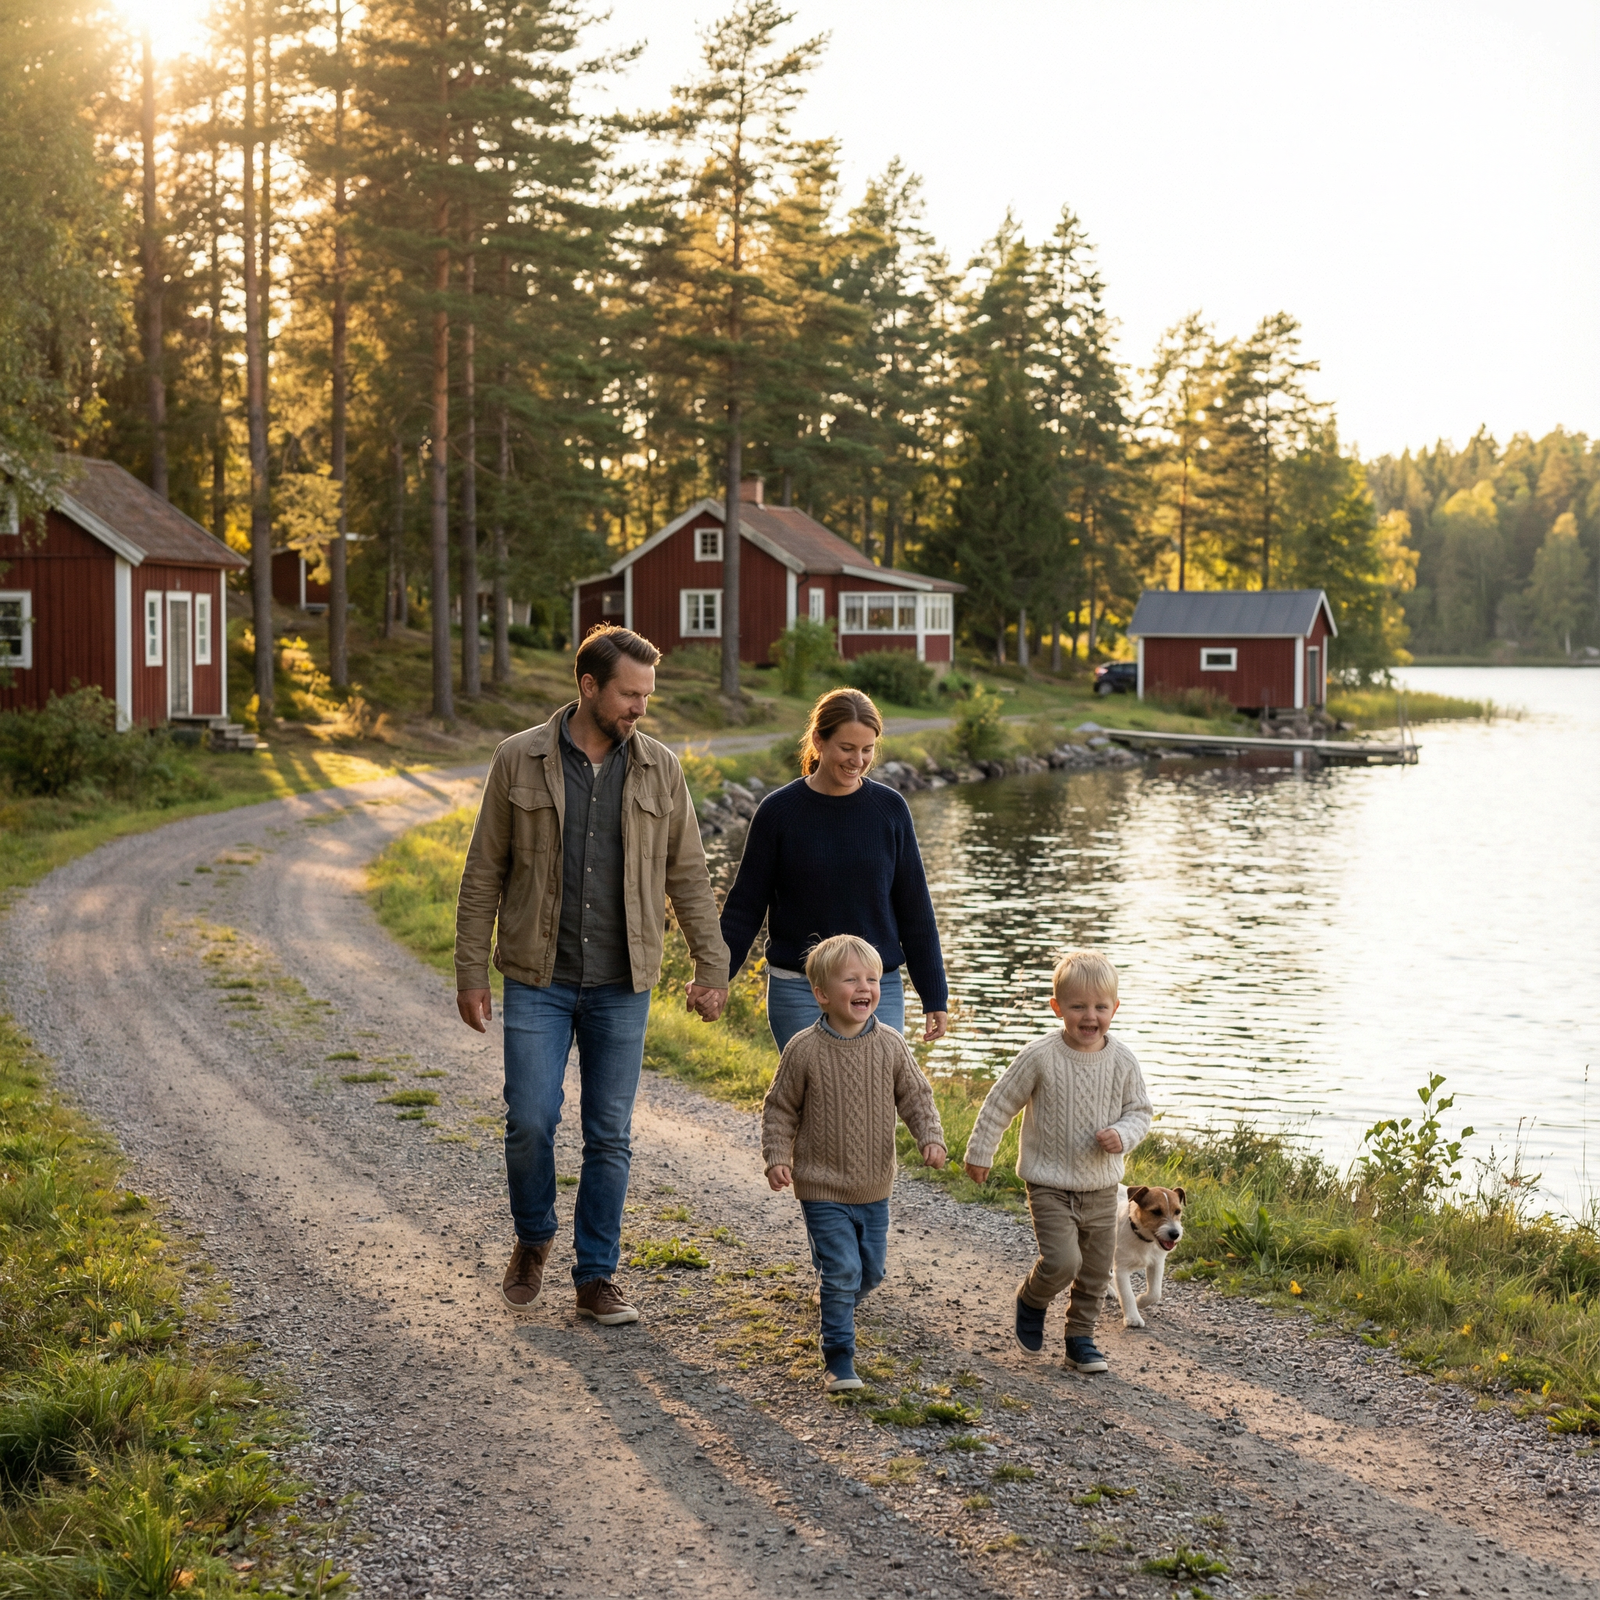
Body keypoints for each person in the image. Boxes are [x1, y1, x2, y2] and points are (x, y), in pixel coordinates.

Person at [454, 625, 730, 1327]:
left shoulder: (662, 769)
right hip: (537, 977)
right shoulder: (518, 758)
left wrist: (712, 965)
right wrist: (469, 969)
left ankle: (596, 1276)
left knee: (610, 1133)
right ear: (588, 686)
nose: (641, 707)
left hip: (622, 983)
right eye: (630, 694)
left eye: (647, 695)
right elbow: (483, 871)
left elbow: (688, 874)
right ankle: (533, 1237)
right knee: (530, 1119)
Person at [760, 934, 947, 1392]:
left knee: (871, 1272)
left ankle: (835, 1299)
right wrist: (777, 1156)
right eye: (851, 980)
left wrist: (930, 1137)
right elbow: (780, 1107)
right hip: (821, 1185)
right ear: (821, 994)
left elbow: (916, 1096)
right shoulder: (803, 1049)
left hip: (874, 1186)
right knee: (843, 1270)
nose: (865, 987)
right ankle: (839, 1357)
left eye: (872, 979)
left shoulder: (891, 1045)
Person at [720, 688, 949, 1051]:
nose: (858, 760)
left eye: (867, 749)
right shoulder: (778, 812)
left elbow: (915, 909)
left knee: (876, 1087)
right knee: (812, 1088)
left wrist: (934, 995)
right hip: (800, 989)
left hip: (875, 989)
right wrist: (715, 978)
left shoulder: (890, 810)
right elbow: (745, 906)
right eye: (847, 748)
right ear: (819, 741)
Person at [962, 950, 1152, 1374]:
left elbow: (1140, 1112)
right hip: (1048, 1182)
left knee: (1097, 1270)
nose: (1090, 1016)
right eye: (1078, 1006)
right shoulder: (1040, 1055)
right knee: (1064, 1261)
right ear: (1057, 1007)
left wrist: (1123, 1134)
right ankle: (1032, 1298)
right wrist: (980, 1152)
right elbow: (1000, 1102)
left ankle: (1080, 1339)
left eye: (1100, 1007)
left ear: (1115, 1008)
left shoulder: (1123, 1060)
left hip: (1102, 1187)